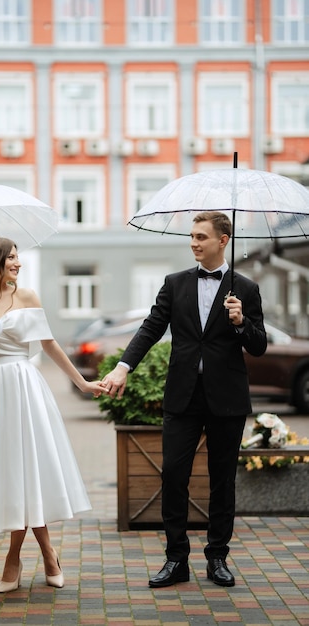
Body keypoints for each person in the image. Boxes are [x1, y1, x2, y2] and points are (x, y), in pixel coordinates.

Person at [101, 211, 267, 588]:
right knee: (174, 474)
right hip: (182, 396)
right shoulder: (174, 284)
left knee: (222, 480)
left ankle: (218, 557)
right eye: (191, 236)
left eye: (201, 237)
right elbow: (151, 327)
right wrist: (123, 367)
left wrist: (241, 322)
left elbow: (259, 347)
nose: (193, 243)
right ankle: (176, 559)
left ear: (223, 240)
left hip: (227, 398)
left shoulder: (247, 289)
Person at [0, 236, 105, 593]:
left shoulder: (27, 297)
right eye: (13, 258)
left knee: (27, 470)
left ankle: (15, 558)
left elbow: (49, 344)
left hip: (24, 387)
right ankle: (48, 552)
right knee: (8, 474)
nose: (18, 264)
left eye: (19, 258)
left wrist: (82, 383)